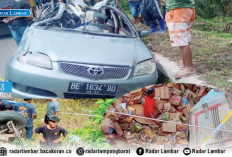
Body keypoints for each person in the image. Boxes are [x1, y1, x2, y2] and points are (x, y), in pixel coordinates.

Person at [166, 0, 197, 78]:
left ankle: (190, 68)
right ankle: (183, 62)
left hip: (178, 10)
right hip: (187, 9)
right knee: (184, 38)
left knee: (181, 41)